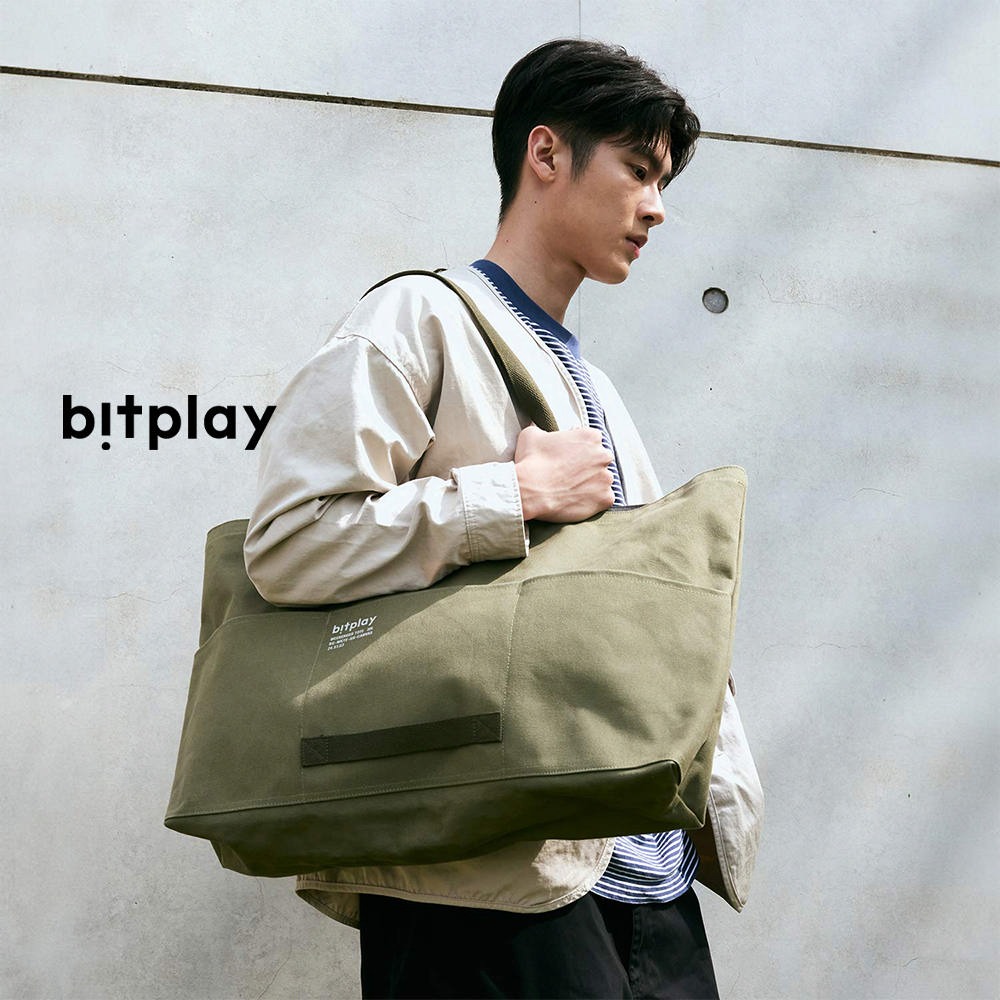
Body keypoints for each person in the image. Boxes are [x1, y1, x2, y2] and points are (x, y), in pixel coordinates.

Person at [245, 38, 761, 999]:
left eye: (663, 181)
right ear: (546, 153)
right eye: (638, 170)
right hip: (488, 882)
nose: (657, 206)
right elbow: (289, 541)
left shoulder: (596, 383)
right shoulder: (417, 319)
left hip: (645, 881)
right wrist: (509, 496)